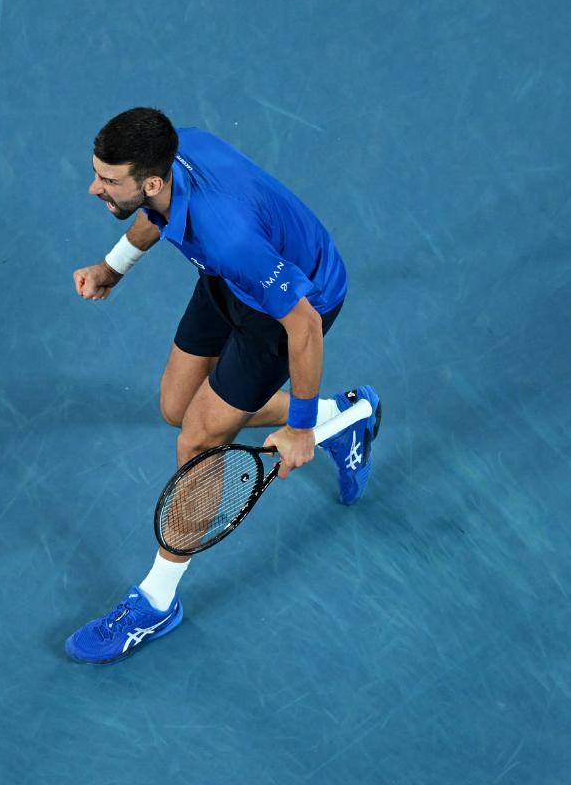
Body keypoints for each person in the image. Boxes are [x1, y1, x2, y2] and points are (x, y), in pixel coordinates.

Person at [65, 107, 380, 664]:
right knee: (176, 406)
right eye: (98, 173)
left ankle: (157, 600)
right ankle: (346, 417)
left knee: (198, 440)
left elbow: (303, 324)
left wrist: (299, 429)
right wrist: (114, 266)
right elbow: (155, 215)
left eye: (108, 181)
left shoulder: (229, 235)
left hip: (291, 306)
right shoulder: (175, 154)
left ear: (153, 179)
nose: (95, 187)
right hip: (230, 277)